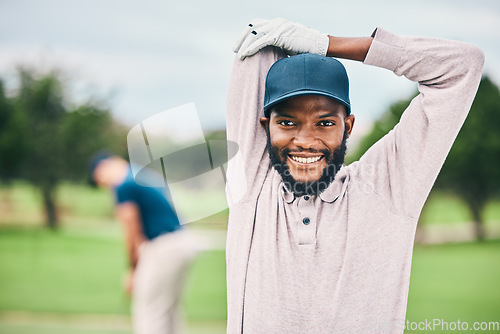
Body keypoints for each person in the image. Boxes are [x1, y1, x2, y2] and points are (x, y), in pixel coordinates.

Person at [225, 18, 484, 333]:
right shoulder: (252, 185)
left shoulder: (386, 187)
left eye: (324, 123)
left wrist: (327, 45)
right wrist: (282, 42)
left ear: (347, 126)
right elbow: (256, 46)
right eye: (288, 123)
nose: (305, 141)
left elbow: (463, 65)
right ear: (265, 126)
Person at [89, 153, 198, 334]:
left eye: (99, 179)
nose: (104, 186)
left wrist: (133, 270)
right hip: (182, 241)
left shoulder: (123, 183)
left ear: (104, 167)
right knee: (168, 310)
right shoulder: (141, 174)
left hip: (164, 247)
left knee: (149, 312)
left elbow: (131, 230)